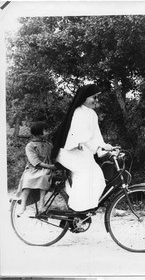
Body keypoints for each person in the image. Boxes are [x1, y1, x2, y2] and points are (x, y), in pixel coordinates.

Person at [51, 84, 114, 213]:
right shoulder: (77, 112)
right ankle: (75, 209)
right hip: (67, 152)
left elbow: (96, 137)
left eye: (97, 98)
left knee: (98, 178)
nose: (96, 100)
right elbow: (79, 136)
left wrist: (105, 148)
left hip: (80, 152)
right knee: (85, 173)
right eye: (94, 97)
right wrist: (99, 146)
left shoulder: (92, 114)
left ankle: (84, 209)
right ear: (84, 98)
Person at [15, 122, 56, 215]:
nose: (47, 132)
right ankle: (23, 203)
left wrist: (54, 165)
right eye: (45, 130)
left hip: (45, 169)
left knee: (44, 176)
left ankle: (42, 203)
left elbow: (53, 156)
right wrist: (50, 166)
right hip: (33, 168)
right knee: (27, 178)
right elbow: (35, 161)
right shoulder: (30, 146)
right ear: (39, 132)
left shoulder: (49, 145)